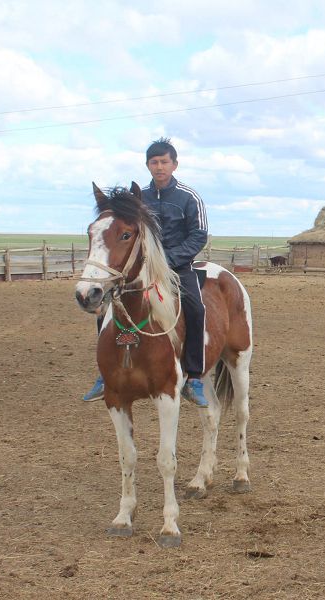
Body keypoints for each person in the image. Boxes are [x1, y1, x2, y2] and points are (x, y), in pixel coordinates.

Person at [83, 137, 211, 407]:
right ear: (148, 166)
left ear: (174, 165)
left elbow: (199, 236)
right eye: (154, 162)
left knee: (196, 309)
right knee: (106, 308)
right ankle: (105, 375)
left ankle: (194, 377)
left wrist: (167, 259)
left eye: (164, 162)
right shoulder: (138, 199)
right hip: (140, 270)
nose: (159, 167)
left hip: (178, 268)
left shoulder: (190, 197)